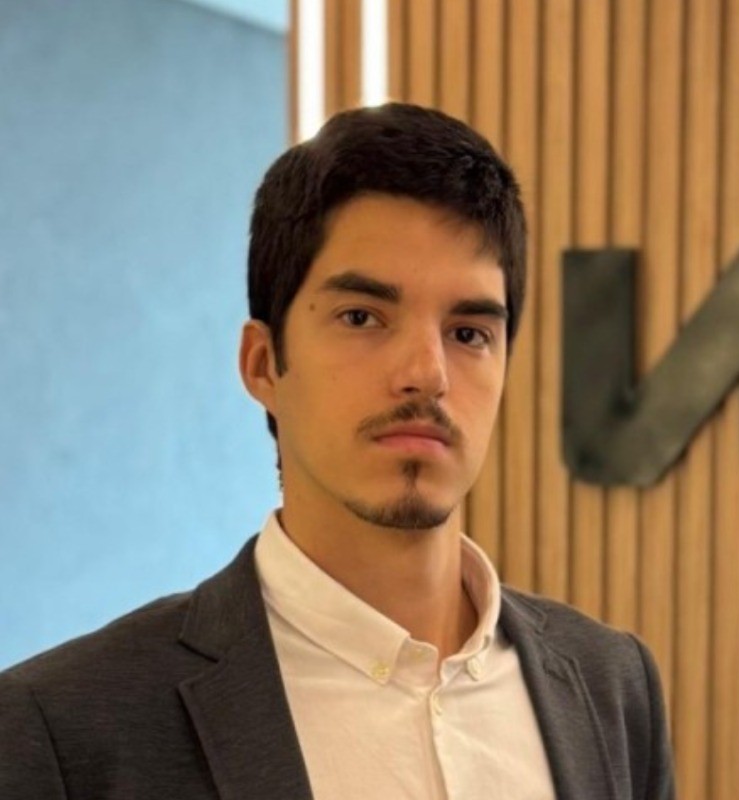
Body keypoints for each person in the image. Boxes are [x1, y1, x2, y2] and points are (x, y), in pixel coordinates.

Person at [0, 103, 674, 799]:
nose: (428, 373)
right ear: (263, 364)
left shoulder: (613, 687)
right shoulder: (66, 732)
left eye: (469, 332)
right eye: (363, 317)